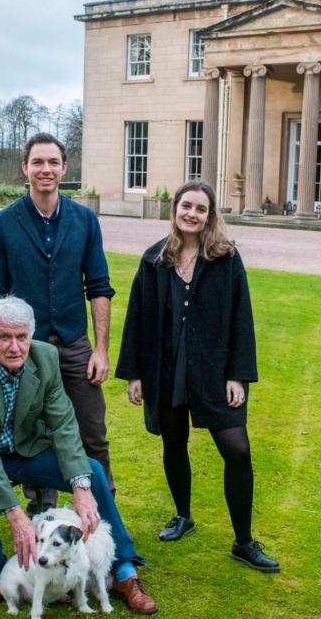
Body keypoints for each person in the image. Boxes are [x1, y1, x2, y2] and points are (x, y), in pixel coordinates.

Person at [0, 296, 158, 614]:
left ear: (31, 336)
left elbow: (63, 423)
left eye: (22, 337)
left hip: (25, 449)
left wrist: (80, 487)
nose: (14, 346)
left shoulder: (46, 357)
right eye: (5, 337)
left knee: (93, 470)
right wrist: (16, 516)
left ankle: (124, 569)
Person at [116, 180, 279, 573]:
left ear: (210, 215)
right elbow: (136, 318)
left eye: (200, 209)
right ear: (175, 209)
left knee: (237, 449)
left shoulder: (225, 258)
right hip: (166, 368)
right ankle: (183, 516)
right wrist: (134, 374)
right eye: (186, 206)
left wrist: (238, 376)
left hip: (214, 370)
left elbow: (242, 319)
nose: (192, 213)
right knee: (174, 442)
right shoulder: (154, 259)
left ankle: (243, 541)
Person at [0, 133, 117, 502]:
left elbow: (100, 287)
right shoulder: (4, 223)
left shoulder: (84, 221)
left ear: (64, 168)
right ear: (24, 168)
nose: (46, 170)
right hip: (25, 349)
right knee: (33, 433)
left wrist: (100, 350)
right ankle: (45, 515)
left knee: (92, 431)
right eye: (38, 162)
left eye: (53, 162)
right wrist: (8, 350)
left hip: (74, 345)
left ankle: (105, 516)